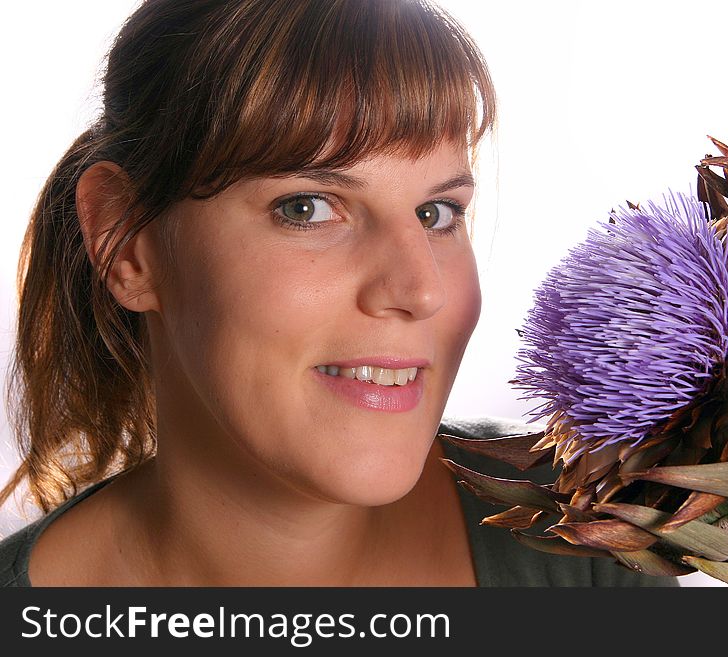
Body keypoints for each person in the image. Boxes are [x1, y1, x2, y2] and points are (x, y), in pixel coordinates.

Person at [0, 0, 676, 587]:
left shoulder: (589, 533)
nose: (421, 289)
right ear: (126, 241)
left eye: (437, 213)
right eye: (306, 207)